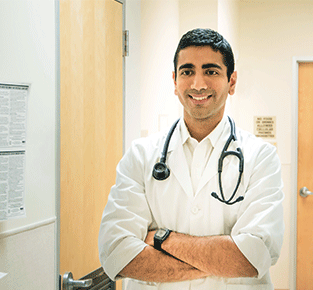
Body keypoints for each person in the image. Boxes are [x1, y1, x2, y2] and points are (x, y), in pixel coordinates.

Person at [98, 28, 284, 290]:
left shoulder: (261, 158)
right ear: (175, 81)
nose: (198, 84)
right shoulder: (141, 156)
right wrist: (219, 262)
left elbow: (252, 258)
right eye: (187, 71)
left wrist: (163, 239)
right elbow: (116, 254)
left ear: (232, 82)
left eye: (211, 71)